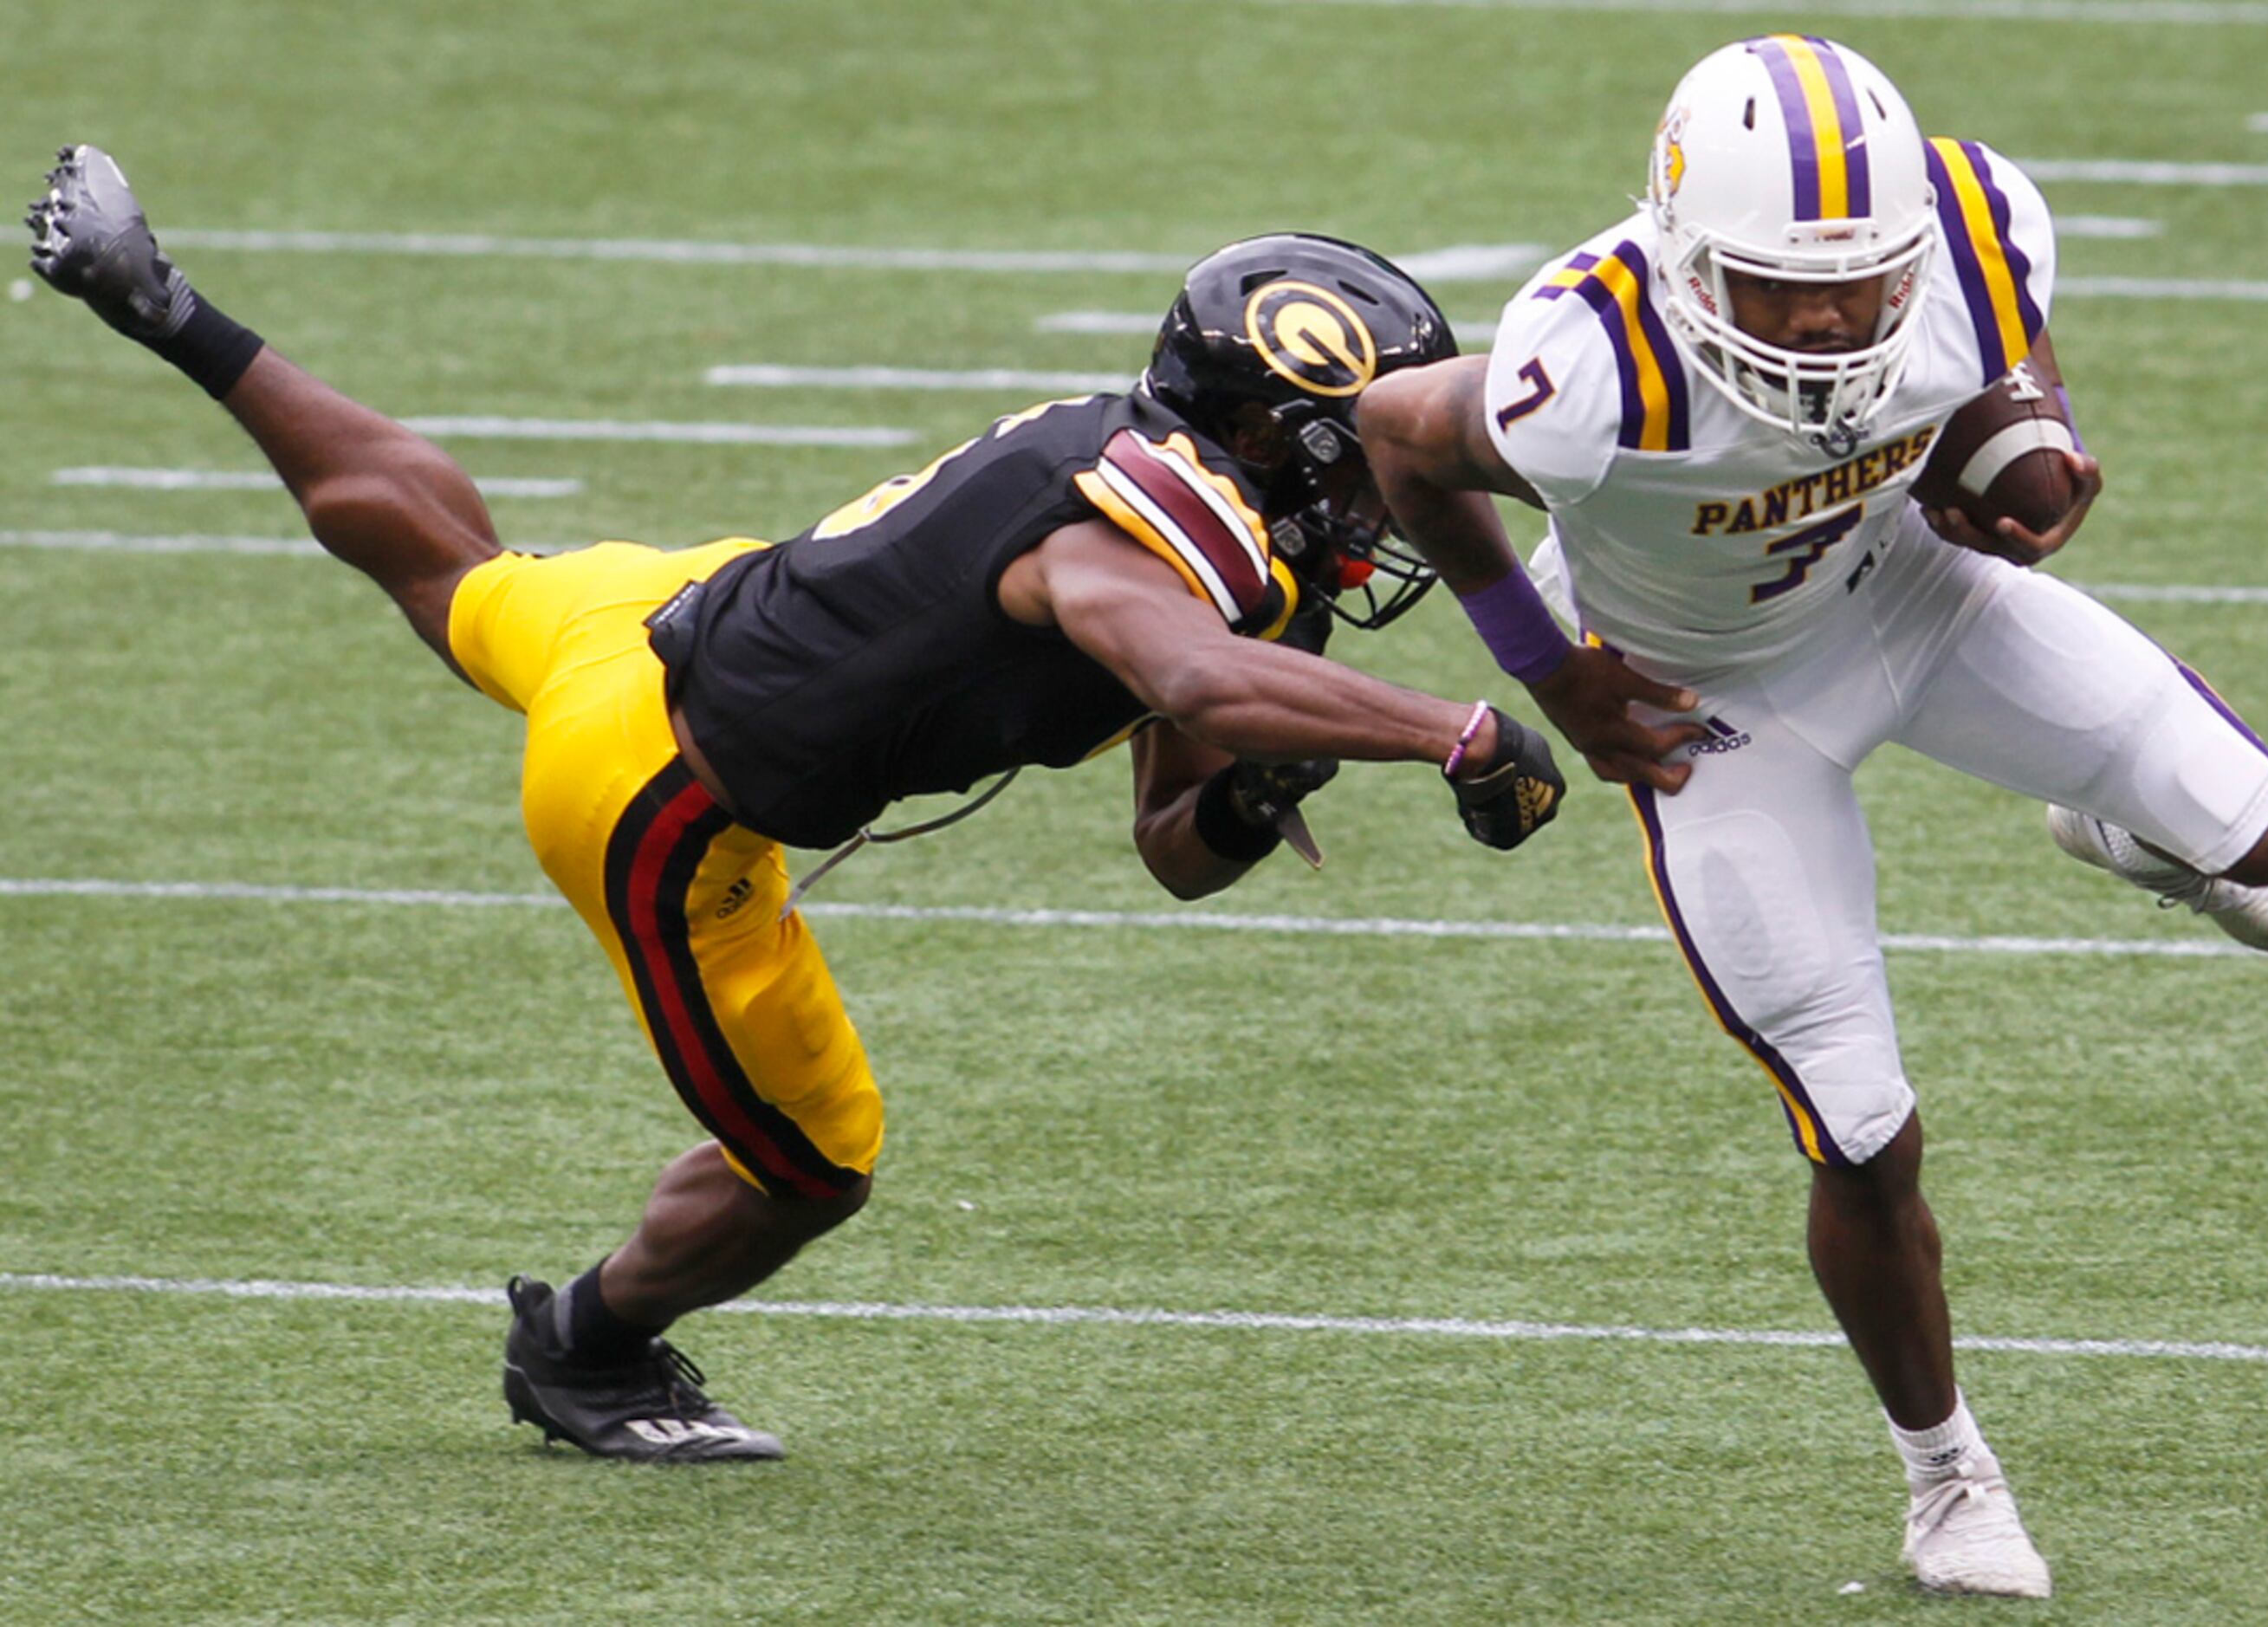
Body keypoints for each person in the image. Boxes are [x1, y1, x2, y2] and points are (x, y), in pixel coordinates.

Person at [28, 147, 1570, 1463]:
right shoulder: (1141, 543)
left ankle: (164, 309)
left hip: (669, 606)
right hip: (665, 794)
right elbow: (1204, 682)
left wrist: (1249, 805)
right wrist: (1457, 727)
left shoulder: (1222, 531)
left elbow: (1178, 840)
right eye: (1360, 449)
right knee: (813, 1164)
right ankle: (583, 1349)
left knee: (450, 566)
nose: (1389, 481)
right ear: (1264, 436)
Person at [1353, 36, 2268, 1599]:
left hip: (1915, 593)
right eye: (1775, 286)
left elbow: (2011, 344)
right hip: (1712, 701)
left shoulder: (1974, 224)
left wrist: (2031, 434)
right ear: (1683, 260)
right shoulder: (1590, 364)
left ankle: (2121, 833)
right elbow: (1397, 435)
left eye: (1861, 281)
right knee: (1864, 1130)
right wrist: (1555, 672)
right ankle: (1948, 1475)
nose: (1826, 319)